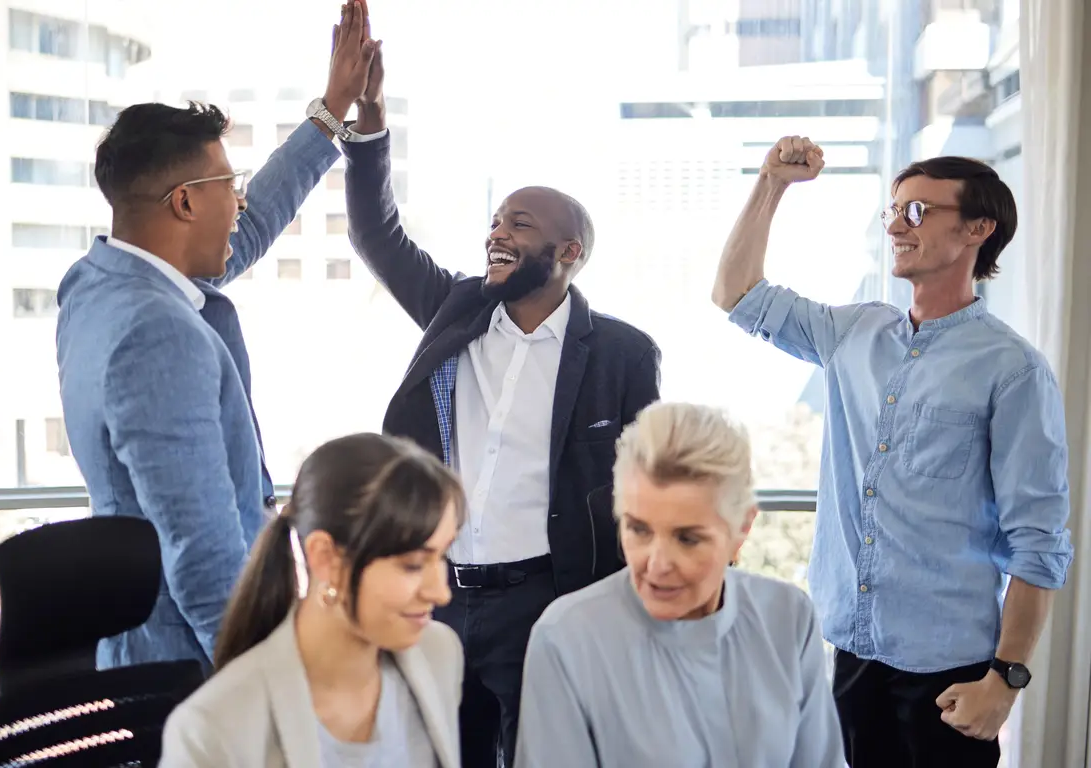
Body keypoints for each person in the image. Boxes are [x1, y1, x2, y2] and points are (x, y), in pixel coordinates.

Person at [340, 44, 662, 768]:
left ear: (568, 250)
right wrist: (370, 122)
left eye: (518, 224)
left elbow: (645, 493)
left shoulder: (623, 355)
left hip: (545, 602)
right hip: (438, 595)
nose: (497, 233)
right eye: (495, 220)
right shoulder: (455, 309)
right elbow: (376, 235)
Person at [712, 136, 1074, 766]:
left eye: (917, 212)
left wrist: (1006, 680)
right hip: (851, 653)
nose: (897, 228)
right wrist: (772, 183)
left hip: (950, 674)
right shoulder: (852, 333)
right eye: (893, 212)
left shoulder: (1013, 370)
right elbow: (736, 293)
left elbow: (1038, 544)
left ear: (977, 229)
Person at [56, 1, 378, 672]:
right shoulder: (157, 334)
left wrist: (332, 108)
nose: (239, 202)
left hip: (137, 640)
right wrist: (268, 685)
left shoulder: (97, 282)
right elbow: (201, 551)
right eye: (228, 185)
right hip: (188, 662)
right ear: (184, 203)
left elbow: (254, 222)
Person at [514, 403, 845, 767]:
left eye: (687, 539)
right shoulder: (566, 637)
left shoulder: (789, 616)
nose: (656, 565)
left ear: (743, 528)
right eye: (638, 529)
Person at [159, 433, 466, 768]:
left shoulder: (438, 655)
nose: (441, 592)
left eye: (442, 556)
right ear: (326, 559)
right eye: (413, 565)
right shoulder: (211, 730)